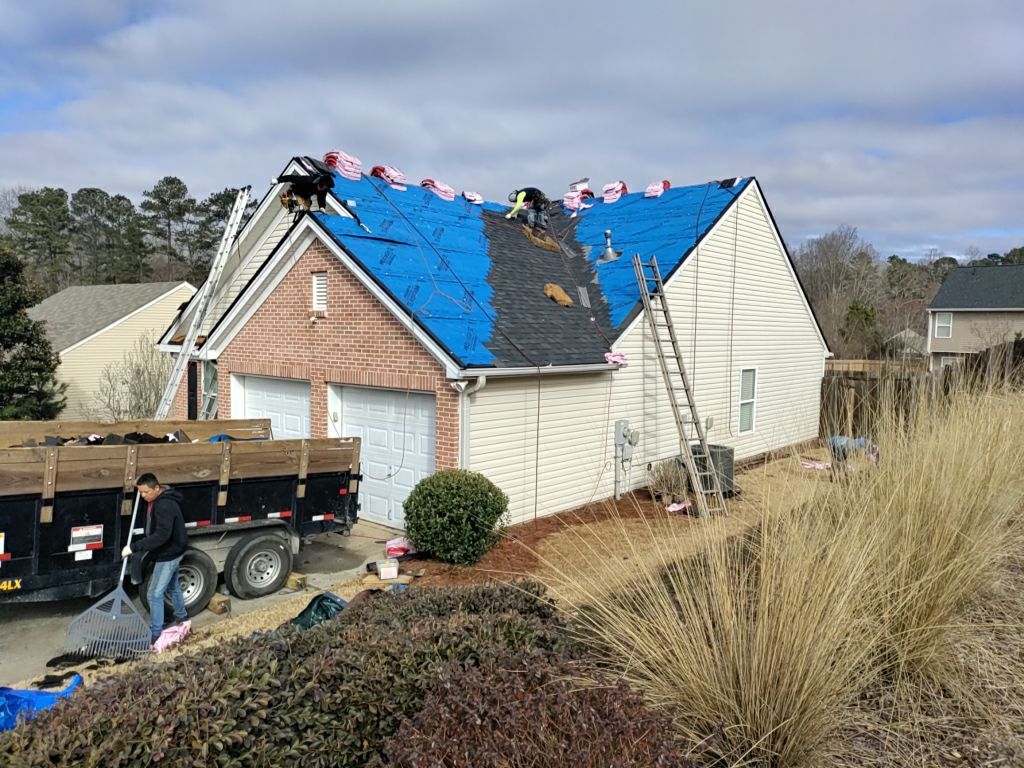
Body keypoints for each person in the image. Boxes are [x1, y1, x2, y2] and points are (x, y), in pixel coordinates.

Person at [121, 473, 188, 643]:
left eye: (145, 492)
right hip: (171, 550)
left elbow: (162, 535)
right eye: (140, 492)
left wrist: (133, 548)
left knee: (154, 594)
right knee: (173, 587)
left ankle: (156, 633)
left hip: (169, 553)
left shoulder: (164, 505)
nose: (142, 496)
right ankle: (182, 618)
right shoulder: (158, 500)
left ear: (157, 488)